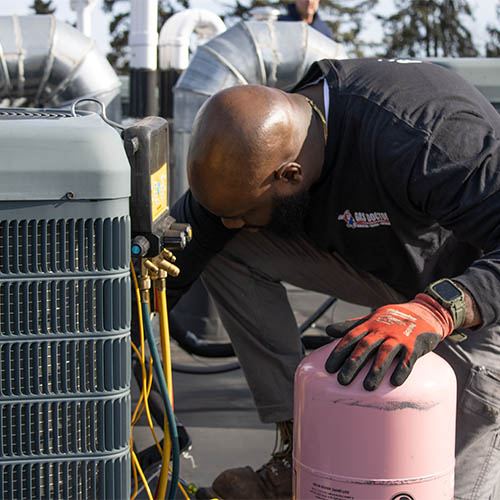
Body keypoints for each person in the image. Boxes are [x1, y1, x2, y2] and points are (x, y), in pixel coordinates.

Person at [168, 58, 500, 500]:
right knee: (229, 248)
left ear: (290, 175)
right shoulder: (260, 145)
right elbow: (180, 252)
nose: (230, 222)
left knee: (433, 478)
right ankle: (302, 444)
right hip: (403, 272)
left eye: (244, 212)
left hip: (479, 289)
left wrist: (438, 309)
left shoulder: (427, 136)